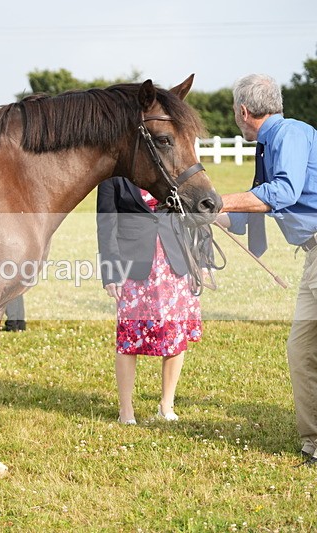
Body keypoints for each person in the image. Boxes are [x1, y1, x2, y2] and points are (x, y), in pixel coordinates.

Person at [218, 73, 317, 465]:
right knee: (301, 349)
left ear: (243, 111)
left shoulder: (289, 134)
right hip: (312, 255)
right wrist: (205, 213)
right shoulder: (267, 145)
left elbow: (285, 192)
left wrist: (220, 199)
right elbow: (247, 217)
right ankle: (313, 441)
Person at [97, 176, 206, 425]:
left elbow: (194, 218)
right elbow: (106, 224)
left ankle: (166, 405)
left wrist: (201, 260)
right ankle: (126, 410)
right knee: (128, 338)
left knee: (175, 335)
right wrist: (110, 272)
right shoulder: (113, 176)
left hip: (175, 261)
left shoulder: (169, 165)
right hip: (132, 266)